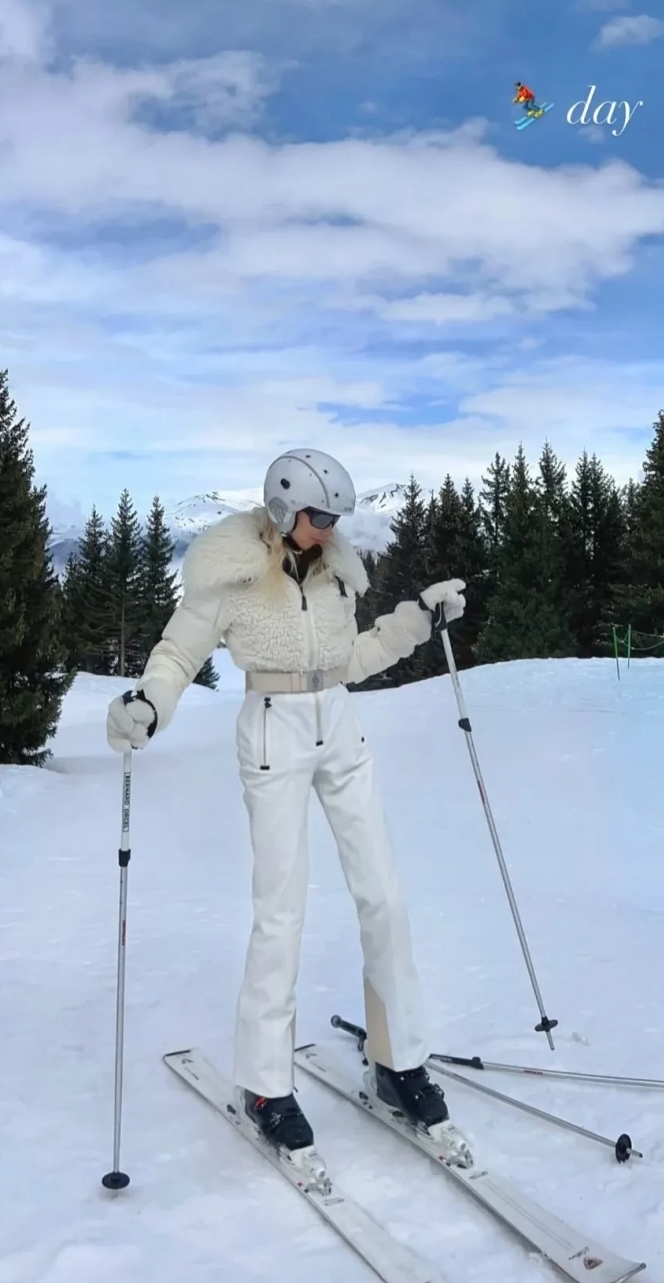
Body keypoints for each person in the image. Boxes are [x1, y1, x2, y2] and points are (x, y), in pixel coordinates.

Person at [106, 449, 468, 1178]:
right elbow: (178, 653)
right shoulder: (232, 571)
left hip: (340, 727)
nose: (330, 527)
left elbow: (350, 659)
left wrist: (415, 620)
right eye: (319, 514)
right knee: (281, 909)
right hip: (273, 731)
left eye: (336, 515)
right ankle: (266, 1086)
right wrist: (149, 703)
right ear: (282, 507)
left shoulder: (336, 572)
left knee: (384, 896)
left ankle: (397, 1063)